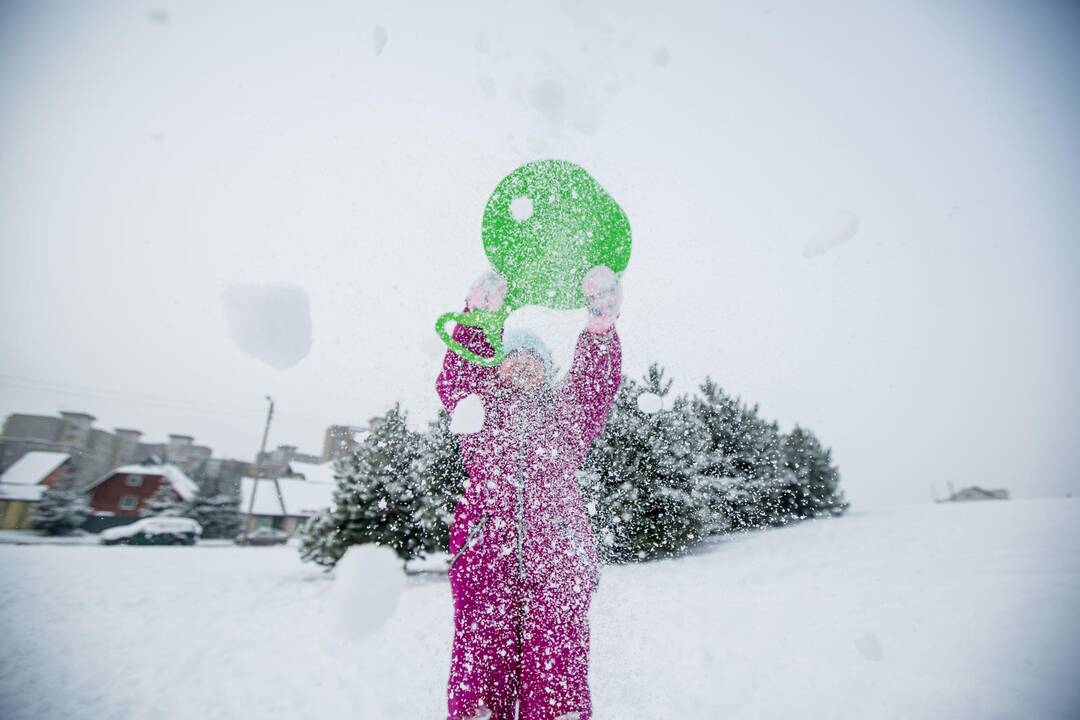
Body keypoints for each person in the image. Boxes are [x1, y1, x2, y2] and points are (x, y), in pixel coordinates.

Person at [436, 265, 624, 720]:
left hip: (557, 558)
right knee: (480, 663)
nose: (521, 362)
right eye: (511, 357)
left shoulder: (565, 418)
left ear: (545, 371)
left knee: (557, 662)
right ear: (496, 368)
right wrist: (480, 317)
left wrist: (599, 326)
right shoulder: (478, 411)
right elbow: (458, 377)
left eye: (532, 359)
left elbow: (592, 388)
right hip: (486, 555)